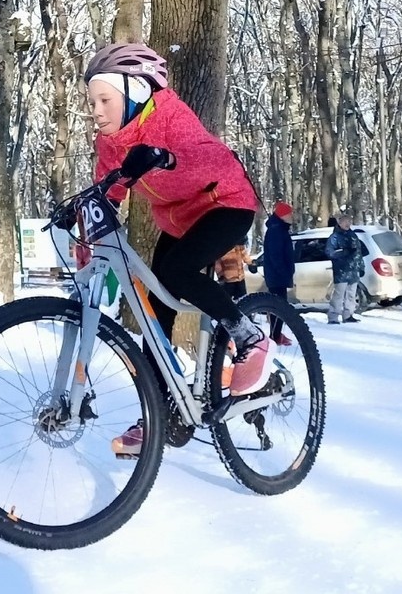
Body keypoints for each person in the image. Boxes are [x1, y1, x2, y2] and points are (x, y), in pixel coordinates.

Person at [80, 43, 273, 458]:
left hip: (226, 203)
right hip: (181, 218)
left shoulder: (168, 114)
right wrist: (84, 221)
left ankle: (250, 336)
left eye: (104, 100)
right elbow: (106, 190)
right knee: (158, 306)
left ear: (133, 94)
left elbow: (211, 159)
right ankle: (159, 411)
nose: (95, 110)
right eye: (91, 101)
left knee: (177, 273)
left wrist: (165, 158)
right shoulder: (109, 143)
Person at [263, 201, 295, 345]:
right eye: (289, 214)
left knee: (280, 306)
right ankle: (274, 335)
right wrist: (283, 273)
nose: (292, 216)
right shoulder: (276, 231)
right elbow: (276, 255)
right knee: (279, 307)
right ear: (283, 215)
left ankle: (276, 333)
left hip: (279, 275)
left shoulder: (280, 229)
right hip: (276, 276)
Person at [325, 213, 364, 324]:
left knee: (351, 295)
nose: (348, 223)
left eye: (349, 221)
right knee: (338, 295)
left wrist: (361, 266)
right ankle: (333, 316)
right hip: (341, 271)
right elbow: (329, 252)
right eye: (345, 221)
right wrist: (343, 252)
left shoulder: (353, 235)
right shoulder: (335, 237)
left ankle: (348, 315)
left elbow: (358, 253)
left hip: (353, 270)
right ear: (339, 222)